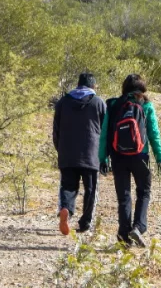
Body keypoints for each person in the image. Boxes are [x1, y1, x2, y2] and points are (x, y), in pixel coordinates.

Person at [99, 74, 161, 247]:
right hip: (140, 156)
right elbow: (153, 134)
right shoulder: (146, 105)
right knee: (143, 192)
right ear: (142, 89)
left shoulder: (113, 104)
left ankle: (123, 237)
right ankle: (138, 226)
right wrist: (160, 157)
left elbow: (104, 133)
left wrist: (102, 158)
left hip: (118, 156)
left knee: (124, 196)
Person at [53, 73, 107, 235]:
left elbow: (56, 130)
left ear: (78, 84)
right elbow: (105, 131)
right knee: (91, 189)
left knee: (68, 186)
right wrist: (105, 155)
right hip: (91, 153)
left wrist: (60, 149)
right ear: (93, 86)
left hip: (67, 153)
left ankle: (66, 209)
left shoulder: (63, 102)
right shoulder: (98, 103)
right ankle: (85, 223)